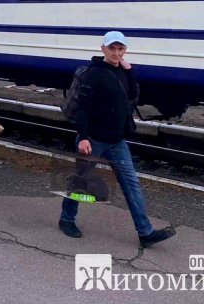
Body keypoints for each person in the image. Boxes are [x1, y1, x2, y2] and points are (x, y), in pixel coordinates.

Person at [58, 30, 176, 248]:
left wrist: (129, 71)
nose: (116, 52)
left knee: (132, 185)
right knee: (81, 184)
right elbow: (83, 108)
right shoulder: (93, 74)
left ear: (125, 50)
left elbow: (132, 95)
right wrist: (83, 138)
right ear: (103, 49)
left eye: (120, 49)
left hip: (117, 141)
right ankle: (66, 220)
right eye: (111, 48)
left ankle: (145, 232)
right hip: (93, 140)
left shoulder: (122, 71)